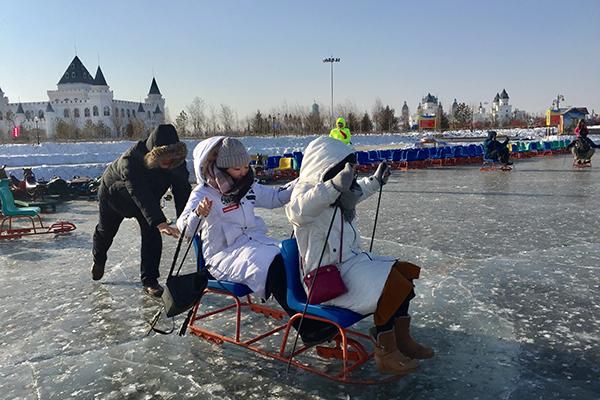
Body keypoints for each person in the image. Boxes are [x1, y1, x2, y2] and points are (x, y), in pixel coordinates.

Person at [285, 136, 434, 376]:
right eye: (346, 167)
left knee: (404, 274)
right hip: (326, 278)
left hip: (350, 263)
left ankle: (402, 339)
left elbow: (357, 190)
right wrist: (332, 186)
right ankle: (385, 351)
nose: (351, 174)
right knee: (391, 285)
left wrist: (376, 180)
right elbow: (297, 213)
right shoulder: (304, 194)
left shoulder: (343, 194)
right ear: (327, 167)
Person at [177, 137, 336, 345]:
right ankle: (308, 328)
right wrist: (199, 213)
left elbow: (275, 197)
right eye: (237, 168)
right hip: (223, 255)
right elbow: (184, 228)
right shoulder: (203, 193)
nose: (244, 172)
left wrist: (304, 180)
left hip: (253, 244)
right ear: (222, 167)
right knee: (276, 265)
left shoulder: (246, 185)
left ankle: (314, 311)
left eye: (246, 166)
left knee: (293, 258)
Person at [91, 124, 191, 297]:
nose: (169, 162)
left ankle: (150, 280)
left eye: (173, 156)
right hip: (114, 196)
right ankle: (99, 260)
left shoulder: (176, 162)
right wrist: (160, 221)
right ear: (154, 153)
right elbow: (138, 190)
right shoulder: (131, 160)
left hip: (147, 201)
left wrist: (187, 221)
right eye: (164, 157)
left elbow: (183, 191)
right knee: (106, 231)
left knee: (152, 234)